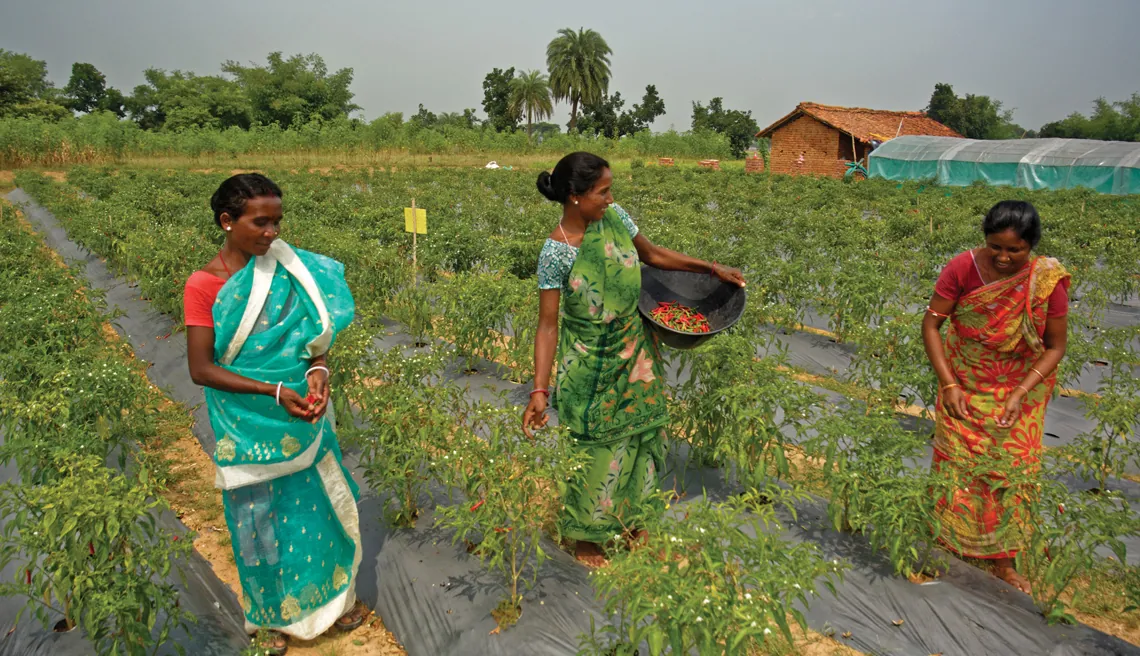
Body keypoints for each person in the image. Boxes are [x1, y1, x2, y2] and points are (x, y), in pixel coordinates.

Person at [522, 152, 746, 567]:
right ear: (574, 196)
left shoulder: (616, 218)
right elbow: (548, 325)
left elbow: (654, 256)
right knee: (598, 450)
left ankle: (634, 524)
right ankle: (587, 538)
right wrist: (540, 388)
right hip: (589, 367)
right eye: (602, 192)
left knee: (642, 441)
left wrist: (711, 268)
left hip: (635, 355)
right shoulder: (555, 253)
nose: (610, 198)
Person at [184, 174, 368, 654]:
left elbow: (314, 343)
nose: (271, 234)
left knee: (320, 503)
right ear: (227, 222)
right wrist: (274, 389)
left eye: (277, 222)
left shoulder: (290, 272)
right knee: (256, 520)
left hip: (300, 412)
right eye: (259, 222)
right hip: (247, 420)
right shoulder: (205, 286)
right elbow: (201, 368)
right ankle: (268, 620)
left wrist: (319, 371)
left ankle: (333, 602)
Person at [922, 200, 1070, 594]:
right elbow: (932, 324)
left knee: (1009, 470)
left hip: (1020, 388)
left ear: (1031, 246)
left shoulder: (1045, 282)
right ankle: (948, 543)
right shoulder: (961, 268)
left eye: (1015, 250)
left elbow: (1055, 346)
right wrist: (949, 383)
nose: (1004, 257)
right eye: (996, 247)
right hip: (963, 381)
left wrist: (1021, 392)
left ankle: (1004, 561)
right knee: (958, 466)